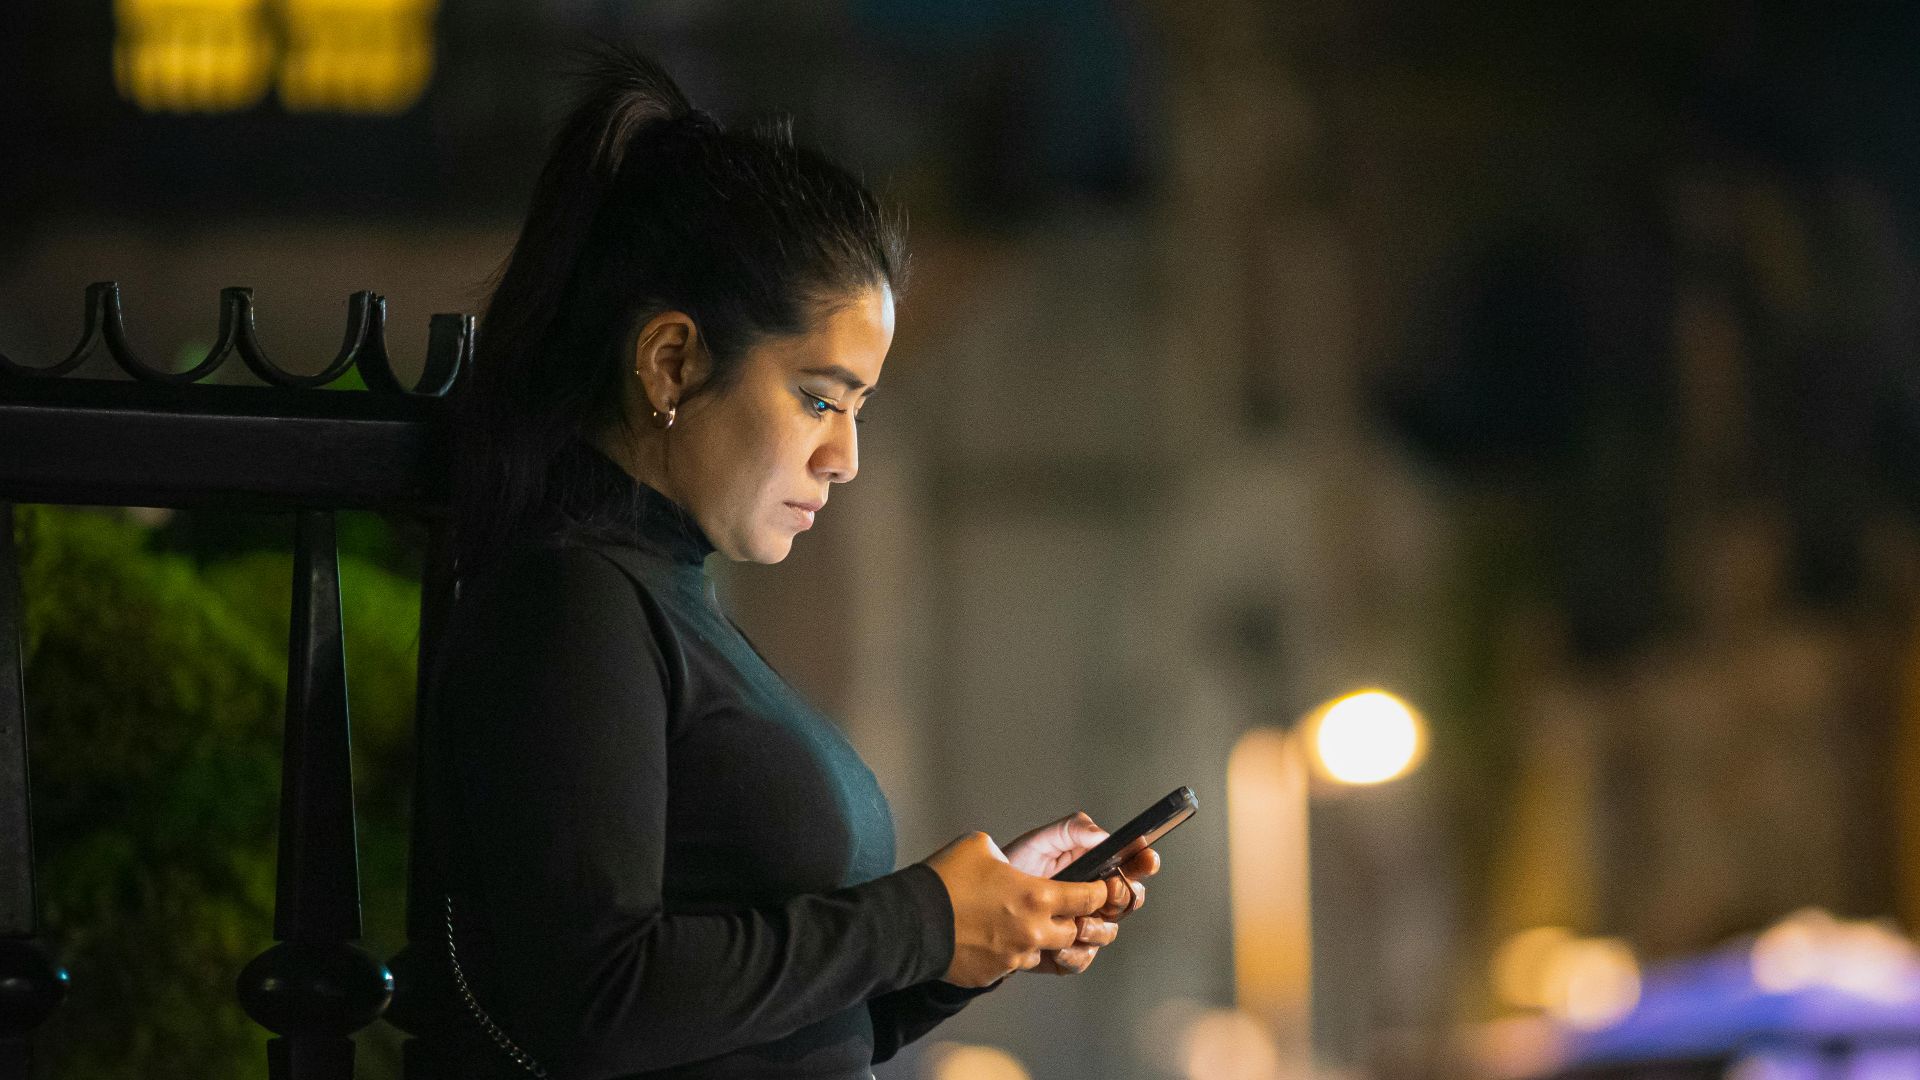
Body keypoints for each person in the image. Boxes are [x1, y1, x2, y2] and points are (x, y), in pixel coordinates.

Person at [384, 46, 1162, 1080]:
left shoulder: (663, 596)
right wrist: (925, 917)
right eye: (819, 398)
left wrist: (975, 942)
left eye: (860, 408)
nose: (842, 458)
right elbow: (597, 998)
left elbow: (770, 1031)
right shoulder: (572, 600)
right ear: (671, 361)